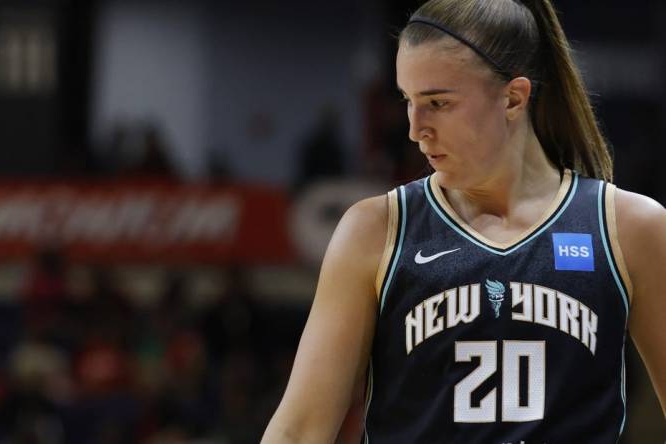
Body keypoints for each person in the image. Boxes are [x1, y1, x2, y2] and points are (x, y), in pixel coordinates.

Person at [261, 0, 665, 442]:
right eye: (408, 101)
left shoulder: (628, 226)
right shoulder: (376, 229)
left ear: (513, 98)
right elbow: (299, 430)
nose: (416, 129)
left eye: (437, 102)